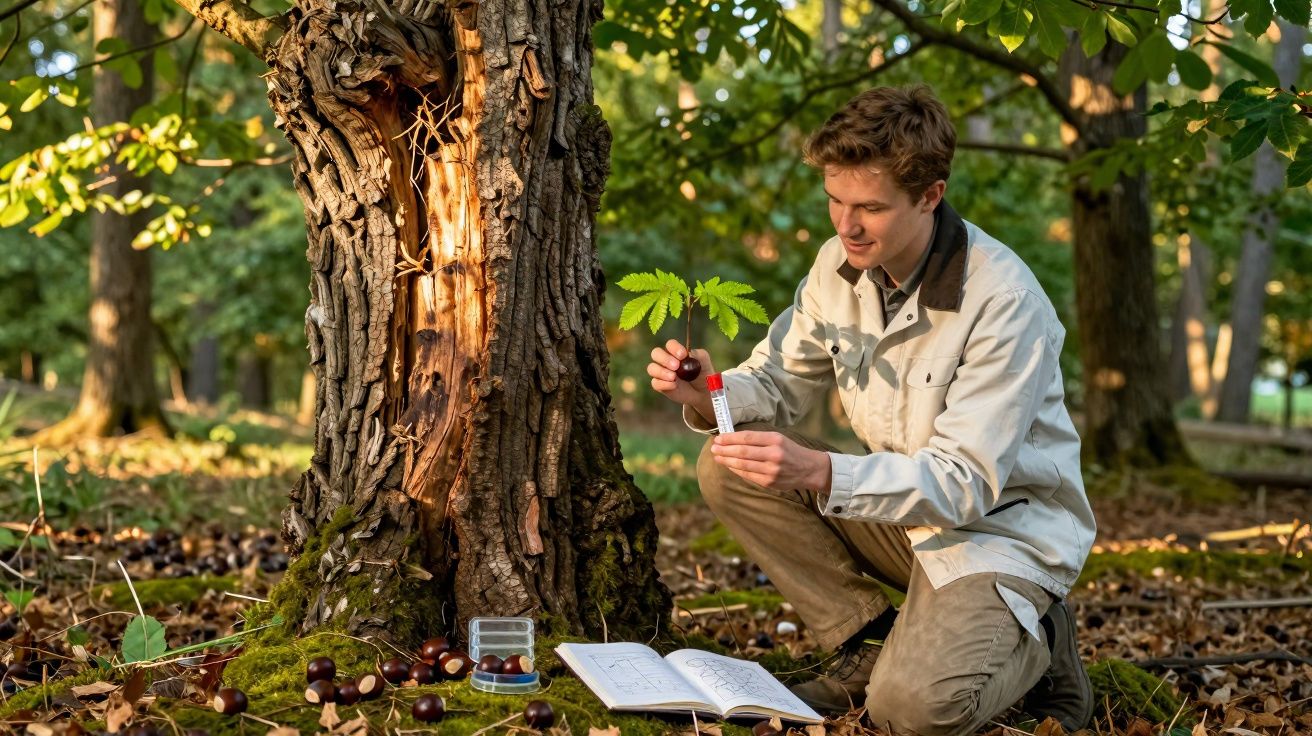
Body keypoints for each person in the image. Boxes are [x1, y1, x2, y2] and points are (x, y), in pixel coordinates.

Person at [646, 85, 1096, 736]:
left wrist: (820, 471)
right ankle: (863, 645)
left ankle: (1043, 634)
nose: (845, 225)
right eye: (835, 199)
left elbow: (965, 484)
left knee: (911, 714)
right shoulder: (839, 265)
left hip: (1000, 537)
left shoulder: (1005, 303)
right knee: (727, 465)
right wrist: (708, 392)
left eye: (871, 208)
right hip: (905, 521)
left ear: (930, 196)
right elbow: (775, 378)